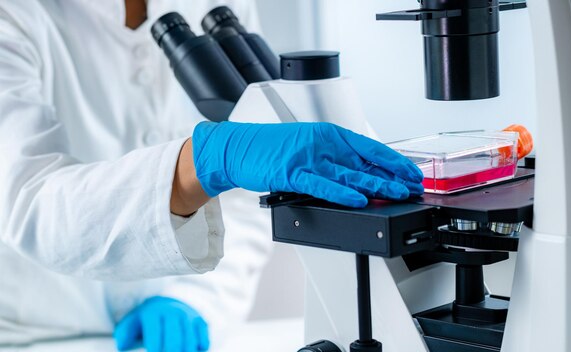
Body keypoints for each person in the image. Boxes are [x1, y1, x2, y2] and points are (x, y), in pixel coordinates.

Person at [0, 1, 423, 351]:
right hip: (44, 332)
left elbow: (251, 189)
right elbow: (28, 199)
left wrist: (196, 299)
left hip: (194, 324)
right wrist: (205, 160)